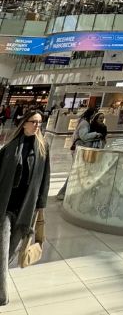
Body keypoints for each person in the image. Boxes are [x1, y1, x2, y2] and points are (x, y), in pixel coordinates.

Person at [0, 110, 50, 305]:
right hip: (5, 207)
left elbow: (45, 180)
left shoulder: (43, 149)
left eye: (40, 122)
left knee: (11, 251)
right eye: (34, 122)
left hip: (26, 209)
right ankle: (2, 296)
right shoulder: (10, 147)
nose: (37, 126)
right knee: (3, 251)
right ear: (25, 124)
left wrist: (41, 206)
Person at [56, 107, 103, 202]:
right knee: (76, 171)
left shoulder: (85, 122)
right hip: (80, 150)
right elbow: (84, 136)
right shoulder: (85, 123)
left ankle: (70, 192)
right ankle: (63, 192)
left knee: (79, 171)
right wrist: (96, 134)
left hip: (82, 150)